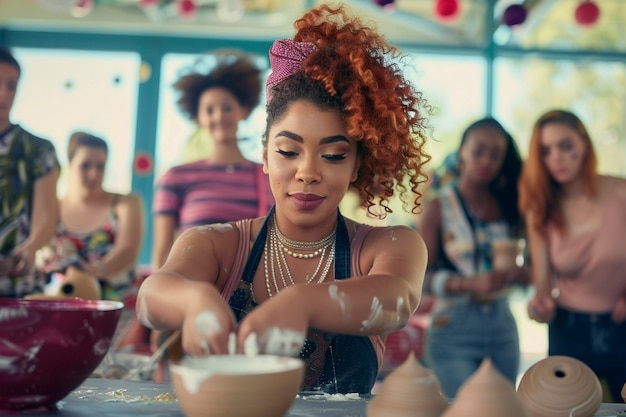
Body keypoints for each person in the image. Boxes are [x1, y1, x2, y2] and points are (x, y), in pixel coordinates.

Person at [137, 3, 430, 394]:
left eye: (333, 155)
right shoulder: (216, 244)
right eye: (289, 151)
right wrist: (193, 301)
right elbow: (150, 298)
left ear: (357, 165)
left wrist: (302, 303)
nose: (308, 172)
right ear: (264, 158)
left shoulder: (386, 247)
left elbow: (396, 299)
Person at [518, 109, 626, 402]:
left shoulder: (621, 192)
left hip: (622, 327)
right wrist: (539, 305)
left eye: (565, 146)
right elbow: (543, 284)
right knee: (566, 409)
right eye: (545, 151)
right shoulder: (540, 208)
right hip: (567, 329)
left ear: (584, 145)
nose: (557, 158)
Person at [418, 117, 529, 399]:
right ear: (462, 150)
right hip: (453, 326)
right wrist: (469, 285)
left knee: (503, 409)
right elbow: (421, 279)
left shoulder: (510, 206)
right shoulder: (438, 206)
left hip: (503, 325)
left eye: (496, 154)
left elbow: (530, 269)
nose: (486, 160)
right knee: (466, 409)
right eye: (478, 150)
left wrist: (522, 274)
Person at [151, 50, 274, 272]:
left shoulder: (270, 176)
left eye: (227, 107)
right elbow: (162, 254)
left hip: (253, 298)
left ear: (243, 111)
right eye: (209, 110)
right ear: (198, 118)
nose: (218, 116)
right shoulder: (175, 178)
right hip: (190, 293)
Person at [34, 132, 144, 347]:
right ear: (69, 164)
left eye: (100, 166)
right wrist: (42, 258)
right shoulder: (51, 207)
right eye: (85, 165)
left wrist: (86, 271)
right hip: (65, 310)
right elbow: (39, 249)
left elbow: (127, 252)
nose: (93, 173)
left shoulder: (125, 203)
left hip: (118, 313)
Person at [0, 47, 60, 298]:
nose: (4, 93)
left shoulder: (39, 150)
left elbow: (46, 219)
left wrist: (28, 249)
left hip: (19, 291)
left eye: (12, 85)